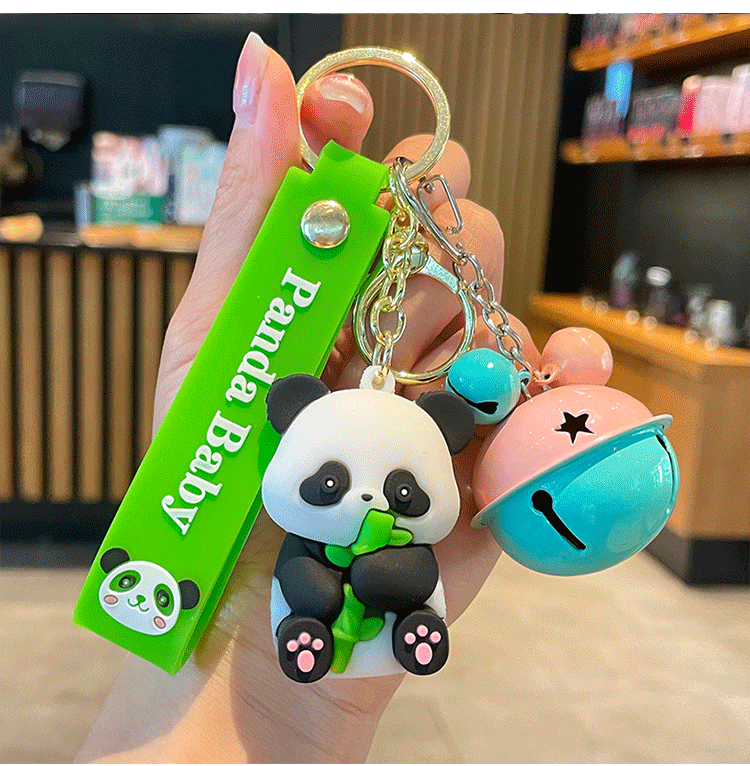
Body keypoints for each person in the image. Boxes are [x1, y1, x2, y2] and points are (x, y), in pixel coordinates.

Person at [76, 32, 542, 763]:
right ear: (287, 414)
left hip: (388, 582)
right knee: (309, 582)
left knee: (402, 573)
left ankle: (394, 627)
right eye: (329, 484)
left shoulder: (405, 465)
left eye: (400, 491)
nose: (368, 500)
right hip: (292, 572)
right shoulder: (300, 433)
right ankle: (308, 630)